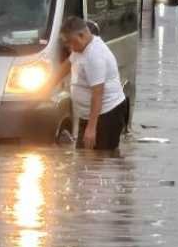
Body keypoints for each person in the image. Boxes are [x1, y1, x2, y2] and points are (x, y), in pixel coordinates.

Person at [47, 16, 129, 150]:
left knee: (100, 159)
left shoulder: (94, 55)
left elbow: (98, 94)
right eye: (66, 43)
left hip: (107, 115)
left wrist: (91, 129)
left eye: (70, 42)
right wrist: (46, 86)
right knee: (85, 159)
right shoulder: (80, 48)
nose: (68, 47)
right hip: (90, 115)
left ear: (82, 35)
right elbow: (67, 65)